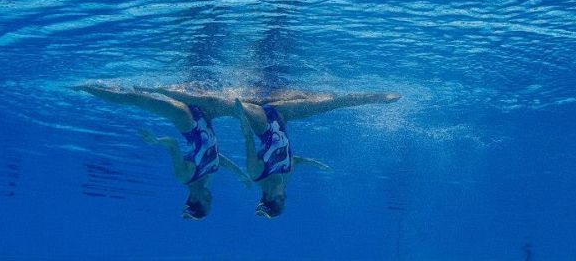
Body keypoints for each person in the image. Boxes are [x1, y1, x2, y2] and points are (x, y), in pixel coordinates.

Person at [132, 84, 401, 218]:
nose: (286, 197)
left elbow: (248, 141)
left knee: (221, 100)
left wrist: (240, 115)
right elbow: (291, 159)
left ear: (272, 197)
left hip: (261, 124)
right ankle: (375, 97)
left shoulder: (257, 173)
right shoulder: (284, 179)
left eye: (282, 200)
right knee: (329, 103)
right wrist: (313, 163)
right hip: (283, 117)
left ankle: (155, 87)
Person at [74, 83, 252, 220]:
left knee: (136, 99)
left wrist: (157, 141)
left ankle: (86, 88)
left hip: (187, 122)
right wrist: (240, 173)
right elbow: (216, 158)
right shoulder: (207, 181)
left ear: (194, 199)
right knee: (240, 107)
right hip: (206, 116)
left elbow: (173, 144)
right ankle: (154, 87)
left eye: (207, 201)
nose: (211, 198)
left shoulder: (183, 176)